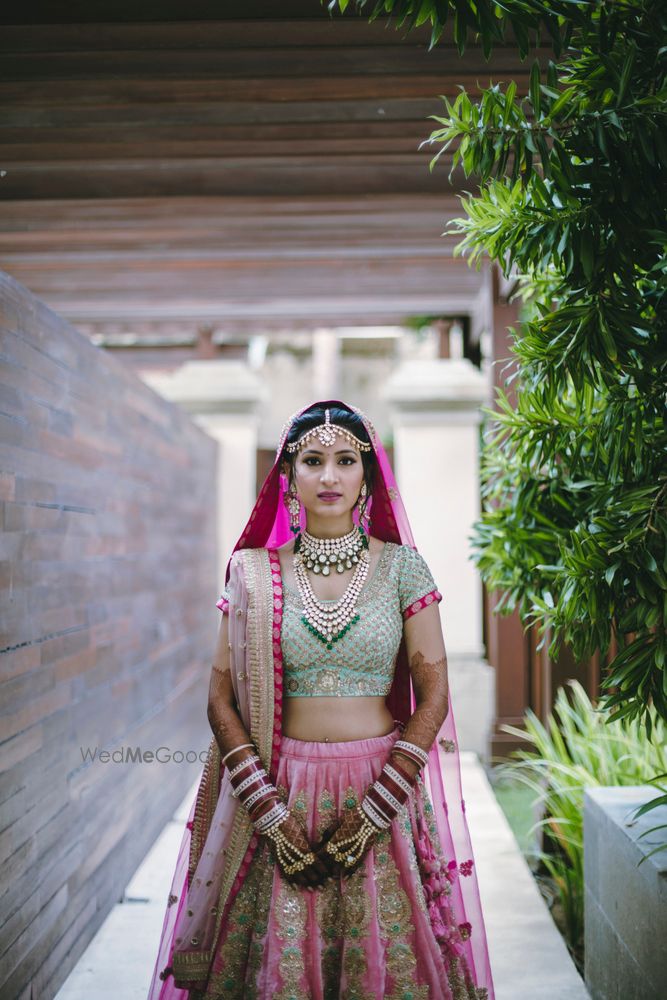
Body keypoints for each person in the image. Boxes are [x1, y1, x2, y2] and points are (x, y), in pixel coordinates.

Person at [147, 400, 495, 1000]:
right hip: (280, 790)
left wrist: (377, 810)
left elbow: (435, 693)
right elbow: (219, 698)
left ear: (367, 475)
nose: (329, 476)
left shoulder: (403, 570)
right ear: (289, 476)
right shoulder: (252, 573)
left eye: (344, 461)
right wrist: (268, 812)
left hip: (381, 792)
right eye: (313, 461)